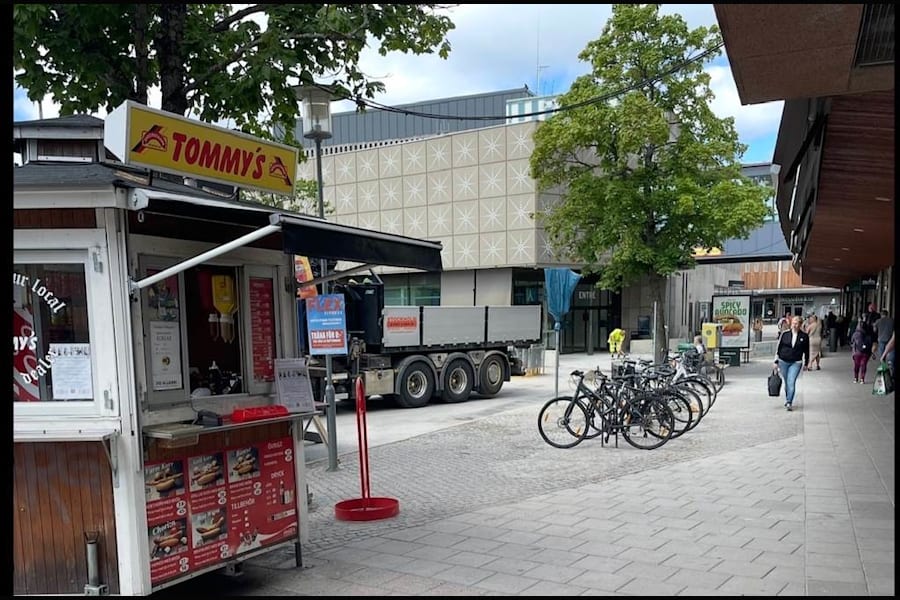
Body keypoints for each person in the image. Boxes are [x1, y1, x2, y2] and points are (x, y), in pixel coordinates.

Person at [774, 315, 810, 411]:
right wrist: (775, 361)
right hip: (783, 361)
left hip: (796, 362)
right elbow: (779, 348)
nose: (794, 325)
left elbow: (807, 351)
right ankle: (787, 398)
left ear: (800, 325)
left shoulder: (804, 336)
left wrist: (806, 363)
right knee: (787, 382)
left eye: (796, 323)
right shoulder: (785, 334)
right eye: (793, 323)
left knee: (791, 381)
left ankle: (789, 401)